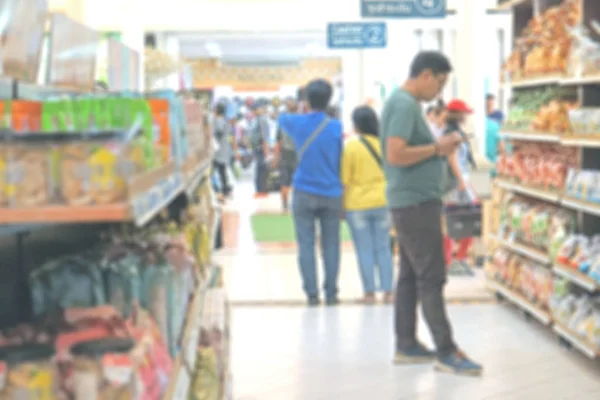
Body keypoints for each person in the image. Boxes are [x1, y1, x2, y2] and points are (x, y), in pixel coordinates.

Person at [380, 51, 482, 375]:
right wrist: (438, 149)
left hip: (414, 202)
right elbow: (395, 154)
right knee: (432, 275)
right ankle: (446, 351)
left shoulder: (406, 105)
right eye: (438, 83)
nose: (439, 92)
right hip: (414, 204)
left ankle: (407, 344)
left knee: (411, 276)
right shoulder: (403, 104)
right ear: (425, 75)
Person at [278, 79, 343, 306]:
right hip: (332, 192)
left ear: (305, 100)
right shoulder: (337, 127)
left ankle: (312, 294)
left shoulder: (296, 123)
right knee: (332, 244)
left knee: (305, 244)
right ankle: (332, 292)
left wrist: (300, 105)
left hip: (304, 190)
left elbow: (281, 117)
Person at [341, 106, 394, 305]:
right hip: (383, 201)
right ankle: (389, 292)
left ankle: (369, 293)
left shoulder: (351, 147)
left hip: (357, 204)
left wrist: (341, 206)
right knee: (383, 247)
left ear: (356, 125)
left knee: (364, 248)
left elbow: (344, 180)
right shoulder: (385, 145)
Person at [442, 99, 478, 268]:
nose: (466, 116)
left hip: (459, 180)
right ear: (458, 115)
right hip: (455, 183)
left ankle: (454, 257)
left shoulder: (453, 132)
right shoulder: (452, 134)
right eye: (464, 113)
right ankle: (454, 258)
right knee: (463, 218)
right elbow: (452, 159)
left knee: (457, 219)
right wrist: (462, 181)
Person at [273, 97, 299, 211]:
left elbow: (278, 143)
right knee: (297, 180)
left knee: (284, 180)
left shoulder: (282, 124)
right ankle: (296, 203)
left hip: (285, 154)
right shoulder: (302, 123)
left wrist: (275, 157)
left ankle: (284, 204)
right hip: (297, 155)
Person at [249, 100, 271, 198]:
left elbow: (265, 137)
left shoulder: (262, 120)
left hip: (262, 149)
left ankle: (262, 190)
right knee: (259, 170)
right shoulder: (256, 120)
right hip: (257, 149)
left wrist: (267, 152)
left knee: (262, 170)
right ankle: (260, 190)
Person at [212, 102, 232, 197]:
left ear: (216, 110)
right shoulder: (225, 121)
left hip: (218, 151)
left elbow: (218, 132)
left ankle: (222, 189)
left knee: (216, 171)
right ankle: (225, 189)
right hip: (223, 150)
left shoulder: (218, 120)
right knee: (222, 171)